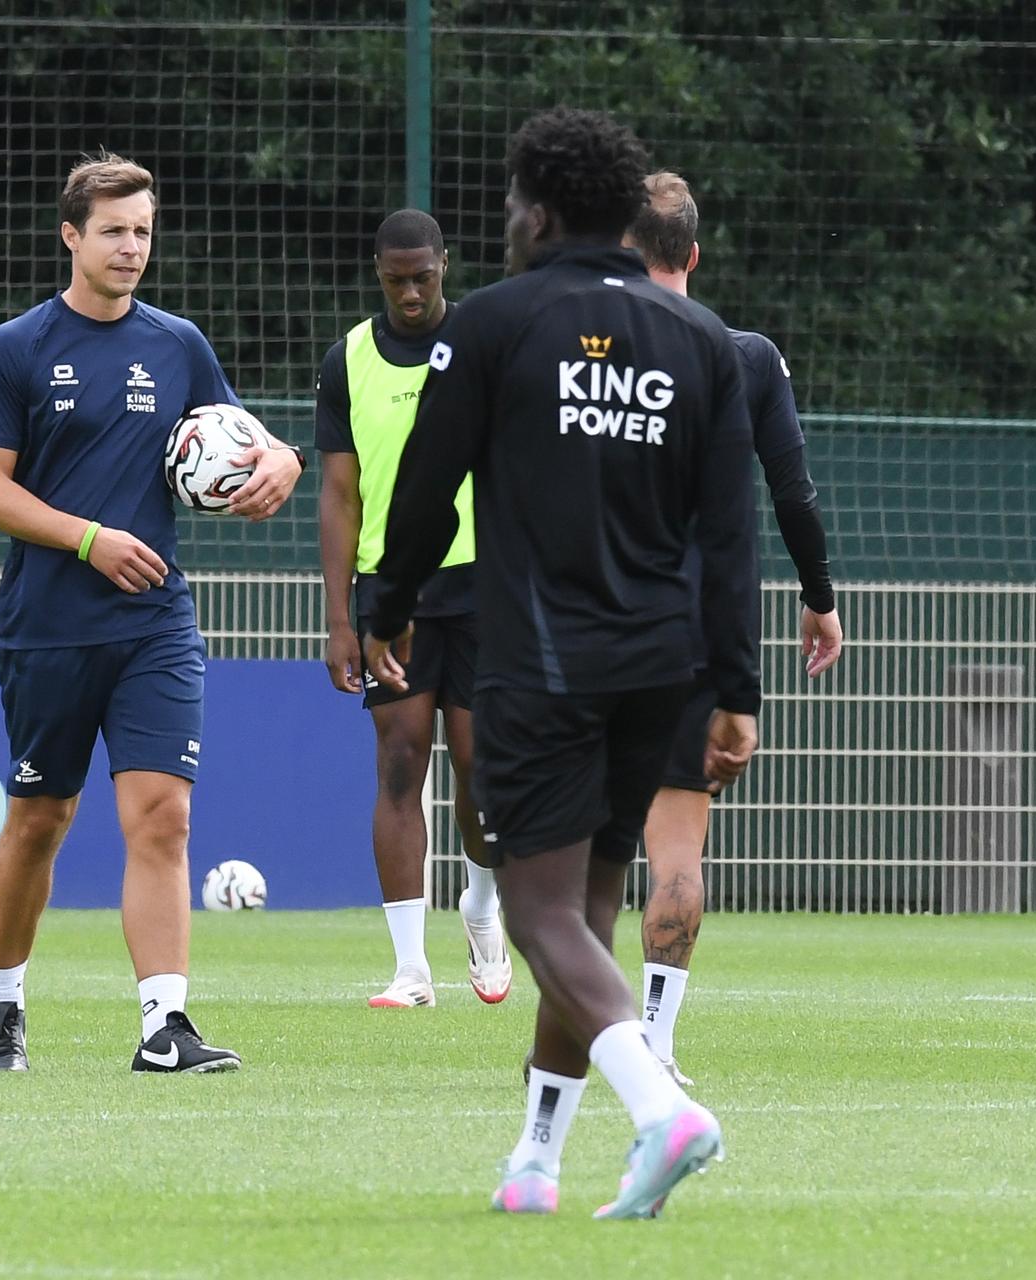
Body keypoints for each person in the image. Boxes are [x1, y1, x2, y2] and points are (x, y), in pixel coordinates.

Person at [364, 108, 762, 1219]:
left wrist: (384, 608)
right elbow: (730, 536)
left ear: (538, 209)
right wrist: (738, 690)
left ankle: (661, 1110)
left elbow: (424, 490)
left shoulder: (492, 324)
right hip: (662, 670)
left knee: (537, 913)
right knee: (586, 907)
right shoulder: (699, 341)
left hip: (540, 664)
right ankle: (536, 1159)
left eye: (507, 201)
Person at [0, 153, 304, 1074]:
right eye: (113, 230)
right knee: (40, 819)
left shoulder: (178, 344)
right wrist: (87, 540)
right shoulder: (20, 346)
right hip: (50, 624)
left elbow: (248, 439)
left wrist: (285, 463)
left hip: (156, 623)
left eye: (143, 231)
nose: (131, 247)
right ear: (70, 236)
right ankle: (1, 1007)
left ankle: (165, 1026)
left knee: (163, 819)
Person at [624, 171, 844, 1086]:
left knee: (578, 853)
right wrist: (820, 597)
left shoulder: (580, 352)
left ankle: (573, 1038)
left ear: (622, 252)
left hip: (585, 626)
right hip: (700, 635)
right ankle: (657, 1048)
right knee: (676, 854)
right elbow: (791, 492)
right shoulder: (746, 355)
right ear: (695, 255)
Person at [317, 208, 512, 1009]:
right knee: (400, 762)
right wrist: (338, 618)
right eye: (394, 279)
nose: (408, 292)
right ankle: (411, 969)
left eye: (422, 278)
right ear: (377, 272)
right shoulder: (348, 361)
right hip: (388, 591)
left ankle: (481, 908)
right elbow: (338, 490)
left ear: (445, 266)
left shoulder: (485, 346)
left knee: (481, 768)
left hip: (481, 582)